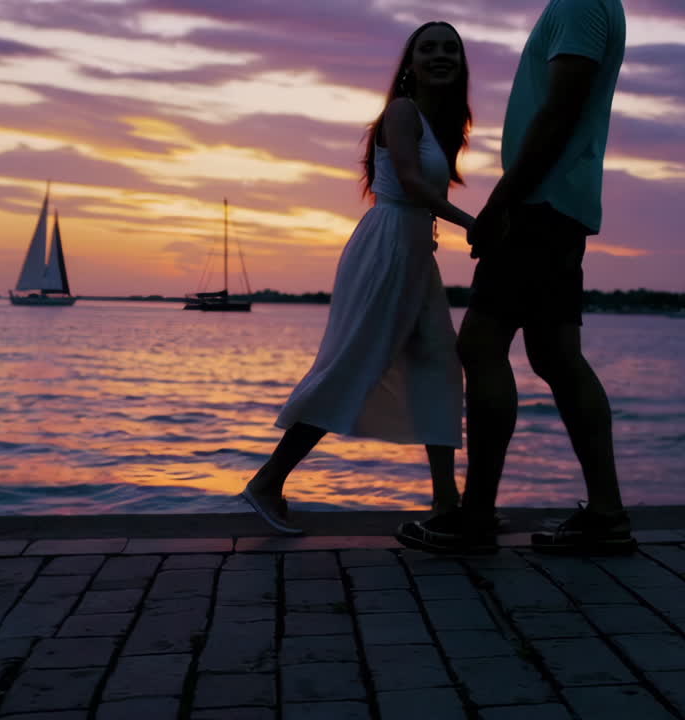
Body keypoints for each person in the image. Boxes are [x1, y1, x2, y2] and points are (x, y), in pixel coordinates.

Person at [396, 0, 636, 555]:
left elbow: (561, 108)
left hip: (540, 204)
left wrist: (503, 200)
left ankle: (476, 516)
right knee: (556, 356)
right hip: (558, 203)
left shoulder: (580, 5)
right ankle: (605, 515)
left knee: (481, 345)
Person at [240, 21, 477, 535]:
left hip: (416, 251)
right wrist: (472, 225)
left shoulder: (444, 121)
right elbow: (409, 182)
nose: (440, 56)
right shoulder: (402, 111)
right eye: (429, 48)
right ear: (410, 64)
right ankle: (267, 482)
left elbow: (425, 191)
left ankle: (447, 501)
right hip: (387, 247)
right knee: (354, 362)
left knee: (440, 364)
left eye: (450, 49)